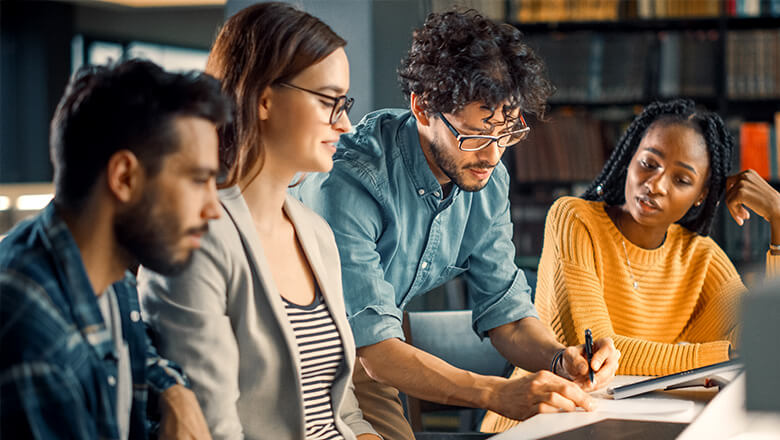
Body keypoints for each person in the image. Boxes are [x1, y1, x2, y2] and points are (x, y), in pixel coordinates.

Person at [295, 9, 620, 440]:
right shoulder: (350, 181)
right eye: (475, 136)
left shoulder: (486, 178)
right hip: (309, 354)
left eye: (506, 133)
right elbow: (376, 353)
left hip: (373, 349)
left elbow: (507, 316)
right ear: (422, 108)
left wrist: (561, 359)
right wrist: (497, 394)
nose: (492, 156)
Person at [138, 3, 380, 440]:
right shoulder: (194, 240)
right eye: (329, 102)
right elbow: (212, 427)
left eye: (345, 104)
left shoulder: (316, 233)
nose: (345, 124)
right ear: (264, 99)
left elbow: (343, 414)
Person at [482, 98, 780, 431]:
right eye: (649, 163)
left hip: (630, 424)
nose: (655, 185)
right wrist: (726, 356)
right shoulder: (574, 220)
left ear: (701, 194)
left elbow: (769, 343)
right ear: (630, 158)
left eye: (682, 180)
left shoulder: (702, 257)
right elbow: (599, 357)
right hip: (540, 421)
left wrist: (778, 220)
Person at [0, 59, 230, 439]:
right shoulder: (33, 337)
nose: (213, 208)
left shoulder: (109, 271)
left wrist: (174, 390)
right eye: (198, 180)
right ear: (124, 177)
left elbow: (139, 357)